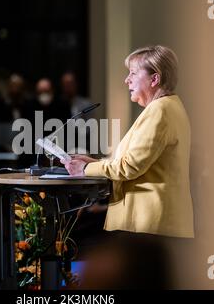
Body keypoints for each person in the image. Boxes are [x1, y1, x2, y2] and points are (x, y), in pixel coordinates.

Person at [62, 46, 194, 287]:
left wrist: (85, 170)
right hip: (149, 221)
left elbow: (130, 167)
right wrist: (93, 163)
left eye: (133, 73)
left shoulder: (160, 111)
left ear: (155, 78)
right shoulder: (163, 108)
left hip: (148, 223)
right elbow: (135, 162)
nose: (127, 80)